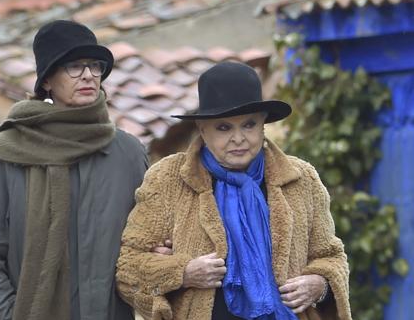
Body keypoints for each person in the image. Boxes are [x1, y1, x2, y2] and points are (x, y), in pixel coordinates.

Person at [116, 62, 352, 320]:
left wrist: (319, 284)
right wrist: (182, 273)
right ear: (202, 130)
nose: (238, 138)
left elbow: (332, 257)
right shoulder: (168, 180)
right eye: (224, 127)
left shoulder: (300, 179)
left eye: (248, 125)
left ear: (263, 125)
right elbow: (128, 269)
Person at [0, 20, 149, 320]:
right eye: (74, 65)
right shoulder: (3, 158)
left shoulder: (128, 154)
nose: (87, 75)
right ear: (47, 80)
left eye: (94, 65)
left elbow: (146, 243)